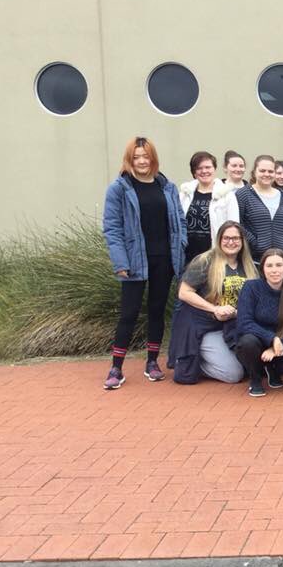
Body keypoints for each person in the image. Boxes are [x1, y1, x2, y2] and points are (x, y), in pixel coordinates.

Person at [102, 136, 187, 390]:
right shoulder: (119, 188)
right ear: (129, 159)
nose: (141, 161)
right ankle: (116, 367)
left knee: (157, 310)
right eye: (136, 157)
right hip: (134, 260)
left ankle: (152, 362)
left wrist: (179, 250)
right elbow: (112, 228)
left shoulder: (167, 187)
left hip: (164, 258)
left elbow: (179, 222)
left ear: (153, 158)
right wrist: (120, 261)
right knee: (128, 313)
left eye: (145, 156)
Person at [169, 221, 258, 384]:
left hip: (231, 325)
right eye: (226, 238)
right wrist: (214, 309)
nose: (231, 242)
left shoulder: (249, 266)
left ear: (243, 241)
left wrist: (237, 313)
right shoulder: (205, 261)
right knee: (234, 375)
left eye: (236, 238)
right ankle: (194, 361)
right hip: (204, 327)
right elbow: (184, 292)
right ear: (219, 239)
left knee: (251, 366)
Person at [236, 248, 283, 397]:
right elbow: (244, 322)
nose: (274, 270)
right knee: (248, 342)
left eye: (279, 265)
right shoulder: (251, 287)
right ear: (262, 268)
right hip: (255, 340)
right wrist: (272, 339)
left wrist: (276, 347)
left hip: (280, 342)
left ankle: (273, 368)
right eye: (269, 266)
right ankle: (255, 378)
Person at [235, 155, 283, 263]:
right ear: (254, 172)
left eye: (270, 171)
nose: (267, 174)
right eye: (262, 170)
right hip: (254, 262)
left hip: (282, 262)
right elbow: (237, 223)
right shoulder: (243, 195)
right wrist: (254, 244)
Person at [178, 151, 240, 266]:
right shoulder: (185, 194)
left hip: (215, 254)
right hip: (187, 255)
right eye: (199, 168)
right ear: (194, 172)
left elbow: (234, 226)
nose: (204, 171)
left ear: (214, 169)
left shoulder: (226, 195)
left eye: (208, 167)